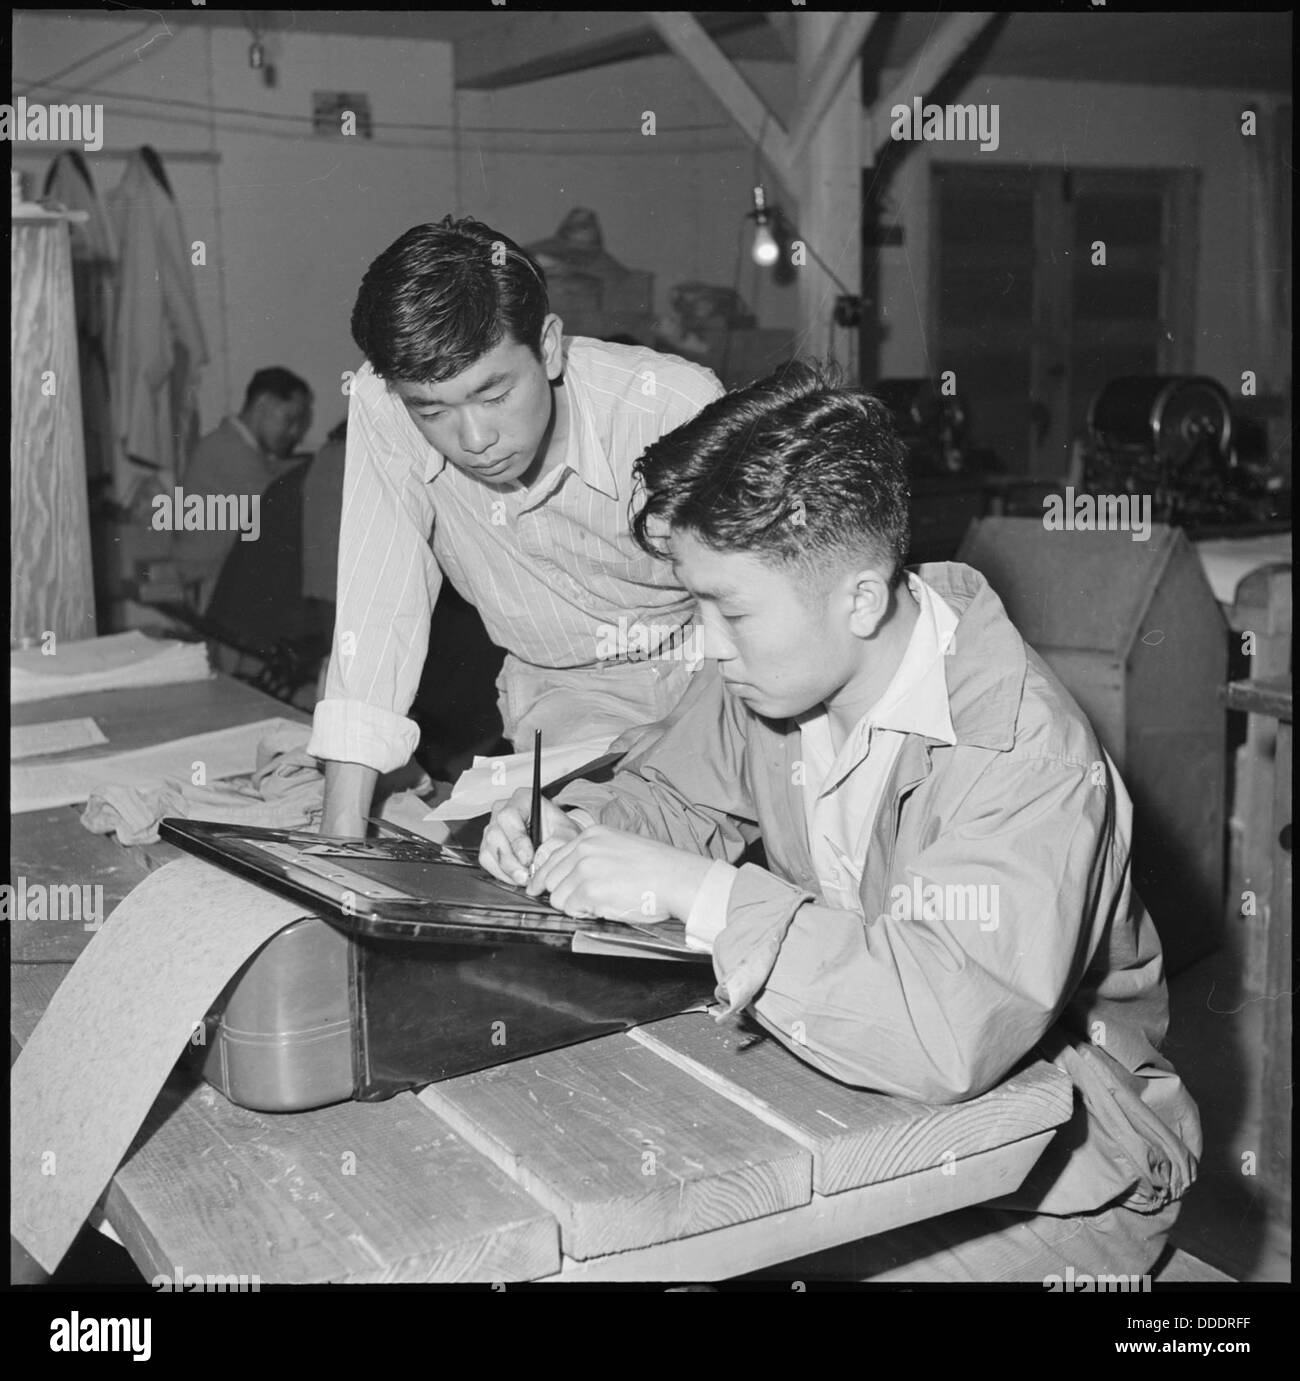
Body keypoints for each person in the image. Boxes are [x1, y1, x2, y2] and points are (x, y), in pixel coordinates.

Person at [480, 360, 1202, 1283]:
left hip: (1064, 1177)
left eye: (729, 609)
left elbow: (942, 1029)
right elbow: (671, 796)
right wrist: (571, 827)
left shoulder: (1024, 755)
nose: (708, 641)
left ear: (861, 596)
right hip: (867, 1110)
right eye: (696, 603)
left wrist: (703, 891)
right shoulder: (781, 667)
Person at [309, 216, 723, 838]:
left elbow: (751, 603)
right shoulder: (384, 400)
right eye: (434, 410)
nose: (474, 440)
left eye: (494, 394)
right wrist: (339, 833)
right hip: (564, 691)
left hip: (711, 667)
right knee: (563, 856)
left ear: (550, 346)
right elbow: (377, 607)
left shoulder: (669, 407)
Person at [173, 367, 314, 610]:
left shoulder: (231, 446)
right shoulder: (229, 450)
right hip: (212, 589)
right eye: (289, 420)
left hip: (215, 584)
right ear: (263, 403)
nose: (295, 434)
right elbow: (279, 509)